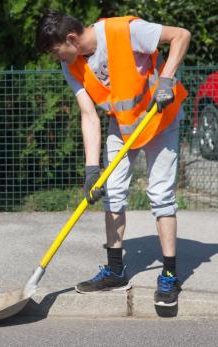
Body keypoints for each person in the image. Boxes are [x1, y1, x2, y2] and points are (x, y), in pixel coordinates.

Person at [35, 11, 190, 307]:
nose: (57, 59)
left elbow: (181, 35)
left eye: (56, 52)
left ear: (70, 39)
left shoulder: (123, 31)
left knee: (160, 194)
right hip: (121, 125)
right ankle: (115, 270)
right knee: (113, 192)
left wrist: (167, 80)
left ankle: (169, 274)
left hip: (159, 119)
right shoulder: (73, 66)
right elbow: (89, 115)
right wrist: (92, 169)